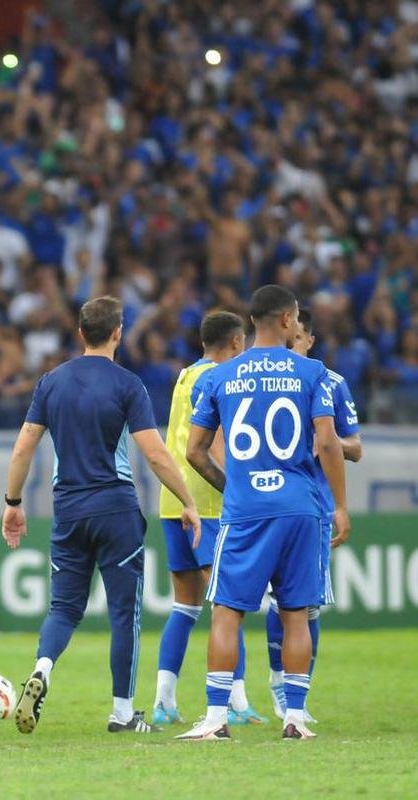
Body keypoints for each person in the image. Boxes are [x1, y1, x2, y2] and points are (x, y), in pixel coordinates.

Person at [0, 296, 201, 735]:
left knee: (63, 608)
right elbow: (155, 453)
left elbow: (23, 447)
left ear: (79, 334)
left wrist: (13, 504)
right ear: (117, 333)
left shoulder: (51, 382)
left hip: (68, 510)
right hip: (115, 509)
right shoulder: (128, 385)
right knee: (123, 611)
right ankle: (123, 713)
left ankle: (42, 668)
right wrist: (187, 500)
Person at [178, 285, 349, 741]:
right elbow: (329, 443)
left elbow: (194, 451)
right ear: (290, 320)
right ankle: (295, 717)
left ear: (253, 321)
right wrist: (342, 506)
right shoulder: (314, 373)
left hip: (246, 509)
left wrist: (233, 486)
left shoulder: (218, 376)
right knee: (295, 613)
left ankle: (216, 718)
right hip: (301, 508)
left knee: (227, 612)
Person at [152, 312, 262, 725]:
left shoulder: (185, 375)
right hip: (208, 504)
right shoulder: (220, 379)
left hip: (173, 500)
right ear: (236, 343)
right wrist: (237, 490)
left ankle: (164, 701)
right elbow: (213, 445)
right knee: (229, 603)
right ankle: (236, 702)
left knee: (185, 606)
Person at [264, 309, 362, 722]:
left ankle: (296, 695)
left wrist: (325, 437)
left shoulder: (331, 383)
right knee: (275, 602)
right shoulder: (266, 384)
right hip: (270, 503)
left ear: (310, 341)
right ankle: (276, 681)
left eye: (298, 339)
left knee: (307, 606)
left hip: (315, 507)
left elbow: (354, 447)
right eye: (288, 340)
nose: (292, 346)